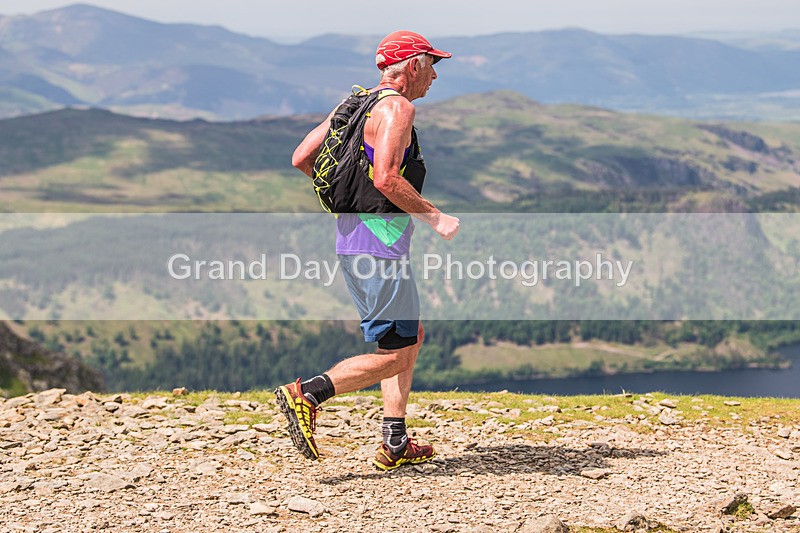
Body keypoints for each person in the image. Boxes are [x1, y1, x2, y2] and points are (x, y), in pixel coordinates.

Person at [275, 30, 460, 470]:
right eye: (431, 65)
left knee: (405, 337)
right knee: (395, 353)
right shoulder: (398, 107)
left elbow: (303, 157)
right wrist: (436, 217)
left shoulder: (352, 105)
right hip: (380, 245)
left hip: (353, 238)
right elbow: (387, 179)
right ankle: (309, 393)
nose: (434, 75)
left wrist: (350, 200)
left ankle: (395, 442)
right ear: (412, 65)